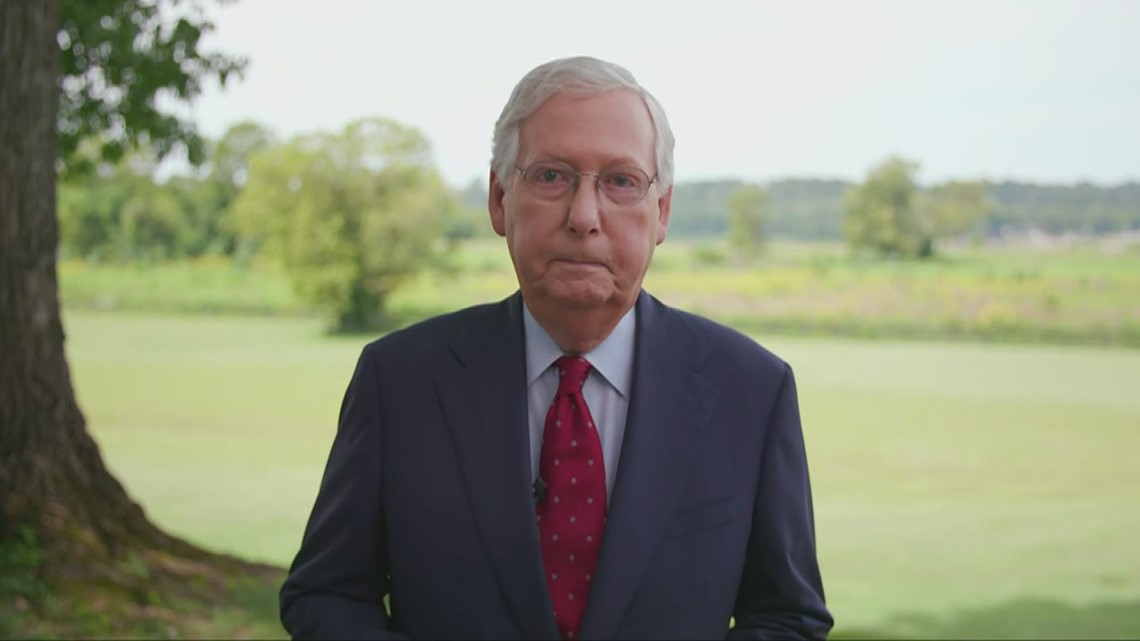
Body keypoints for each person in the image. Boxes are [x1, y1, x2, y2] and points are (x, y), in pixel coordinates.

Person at [280, 55, 833, 640]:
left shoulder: (751, 390)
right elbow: (328, 594)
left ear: (662, 211)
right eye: (551, 176)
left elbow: (787, 617)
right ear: (498, 199)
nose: (584, 216)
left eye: (621, 181)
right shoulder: (399, 381)